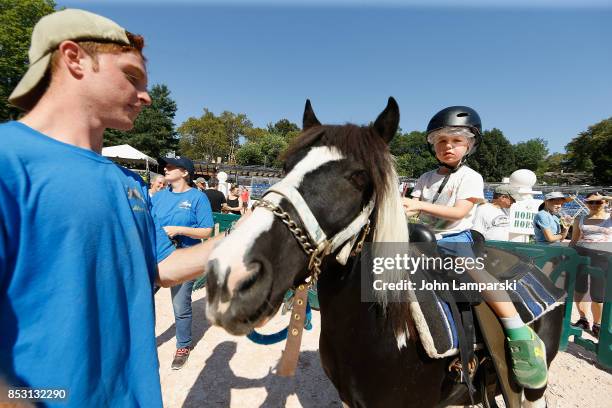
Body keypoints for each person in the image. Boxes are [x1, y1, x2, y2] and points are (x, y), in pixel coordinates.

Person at [0, 9, 218, 407]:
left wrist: (250, 236)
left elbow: (162, 270)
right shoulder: (8, 159)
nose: (147, 95)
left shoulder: (128, 182)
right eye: (132, 76)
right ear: (74, 58)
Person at [402, 106, 548, 389]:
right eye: (442, 141)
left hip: (456, 239)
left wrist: (417, 205)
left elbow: (458, 213)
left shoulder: (470, 177)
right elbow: (412, 211)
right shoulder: (425, 178)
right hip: (422, 239)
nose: (448, 147)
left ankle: (517, 330)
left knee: (475, 274)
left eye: (456, 141)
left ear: (469, 145)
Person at [152, 157, 213, 369]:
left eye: (170, 166)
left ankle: (183, 345)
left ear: (185, 173)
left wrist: (178, 229)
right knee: (141, 301)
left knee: (180, 306)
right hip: (155, 257)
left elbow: (207, 231)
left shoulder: (198, 197)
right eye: (165, 166)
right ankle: (143, 343)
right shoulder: (158, 197)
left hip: (183, 258)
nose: (165, 169)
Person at [569, 192, 612, 338]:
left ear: (605, 202)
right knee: (579, 289)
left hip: (603, 258)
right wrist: (568, 255)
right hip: (581, 255)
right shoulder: (580, 219)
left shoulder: (609, 218)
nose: (594, 205)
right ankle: (583, 319)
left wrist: (606, 198)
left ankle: (597, 324)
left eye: (598, 202)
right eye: (590, 202)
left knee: (598, 293)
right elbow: (574, 240)